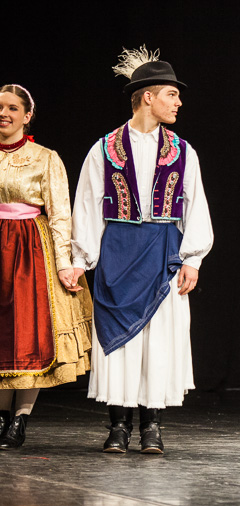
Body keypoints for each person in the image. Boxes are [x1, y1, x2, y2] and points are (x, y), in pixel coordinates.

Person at [71, 46, 213, 454]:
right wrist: (80, 260)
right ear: (148, 97)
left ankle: (152, 425)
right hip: (118, 252)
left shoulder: (183, 151)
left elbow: (195, 205)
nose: (178, 102)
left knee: (160, 339)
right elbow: (87, 206)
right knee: (119, 338)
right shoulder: (105, 149)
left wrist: (192, 258)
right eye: (172, 94)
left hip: (163, 251)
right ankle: (118, 425)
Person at [0, 84, 93, 449]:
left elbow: (60, 215)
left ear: (27, 115)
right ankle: (1, 415)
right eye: (0, 107)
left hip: (29, 250)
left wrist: (64, 264)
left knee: (29, 333)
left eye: (12, 108)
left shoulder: (45, 158)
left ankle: (20, 417)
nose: (3, 113)